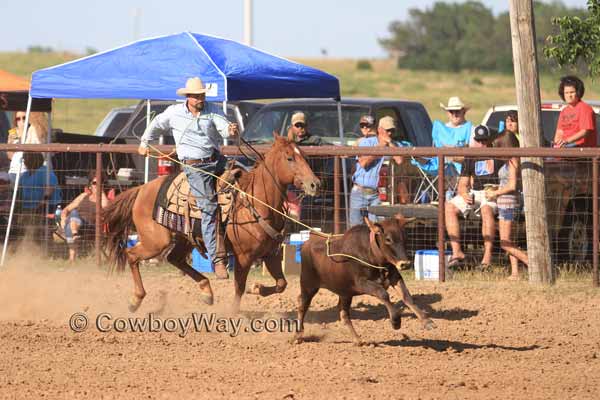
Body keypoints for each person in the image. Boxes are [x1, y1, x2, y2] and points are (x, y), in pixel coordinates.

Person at [138, 77, 238, 279]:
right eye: (197, 96)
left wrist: (230, 129)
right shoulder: (174, 113)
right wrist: (144, 143)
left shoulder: (213, 109)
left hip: (216, 159)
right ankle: (217, 259)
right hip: (194, 167)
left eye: (202, 95)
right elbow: (156, 124)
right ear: (189, 97)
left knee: (243, 179)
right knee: (209, 206)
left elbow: (222, 125)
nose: (201, 98)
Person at [446, 125, 501, 270]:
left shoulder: (498, 155)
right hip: (475, 192)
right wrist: (464, 194)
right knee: (449, 207)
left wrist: (497, 192)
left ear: (489, 141)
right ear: (474, 140)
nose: (481, 144)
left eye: (484, 141)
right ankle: (457, 252)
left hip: (492, 192)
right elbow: (463, 184)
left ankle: (487, 258)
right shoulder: (470, 157)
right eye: (478, 140)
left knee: (486, 210)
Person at [484, 130, 528, 280]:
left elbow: (512, 185)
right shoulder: (509, 161)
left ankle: (532, 263)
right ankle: (515, 272)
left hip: (509, 204)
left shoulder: (514, 160)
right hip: (504, 203)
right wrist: (496, 189)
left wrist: (495, 193)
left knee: (504, 242)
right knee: (510, 241)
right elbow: (507, 184)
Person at [349, 116, 405, 227]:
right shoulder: (366, 143)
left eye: (392, 130)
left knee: (379, 227)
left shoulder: (395, 145)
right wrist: (380, 147)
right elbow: (363, 163)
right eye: (387, 130)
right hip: (359, 191)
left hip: (378, 195)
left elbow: (400, 160)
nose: (389, 133)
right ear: (379, 129)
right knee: (356, 228)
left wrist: (390, 144)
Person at [59, 170, 109, 263]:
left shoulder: (103, 199)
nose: (97, 185)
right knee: (73, 215)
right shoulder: (83, 196)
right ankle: (74, 234)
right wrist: (63, 218)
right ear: (90, 185)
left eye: (100, 183)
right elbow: (66, 209)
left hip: (90, 226)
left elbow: (106, 209)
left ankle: (72, 258)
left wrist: (101, 192)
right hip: (76, 223)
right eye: (94, 183)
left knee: (73, 217)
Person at [17, 152, 61, 240]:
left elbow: (49, 189)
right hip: (27, 207)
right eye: (24, 160)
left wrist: (41, 204)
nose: (25, 162)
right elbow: (19, 193)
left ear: (33, 160)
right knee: (21, 225)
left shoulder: (45, 172)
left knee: (38, 226)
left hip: (45, 207)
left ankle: (42, 247)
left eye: (26, 160)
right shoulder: (24, 175)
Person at [553, 75, 597, 148]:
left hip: (581, 152)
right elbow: (560, 131)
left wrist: (567, 141)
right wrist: (556, 144)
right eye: (566, 93)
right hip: (564, 150)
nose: (569, 95)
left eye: (572, 92)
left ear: (578, 92)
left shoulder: (585, 108)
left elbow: (584, 131)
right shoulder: (564, 111)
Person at [8, 112, 49, 182]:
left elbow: (38, 154)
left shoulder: (33, 129)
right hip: (15, 171)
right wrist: (15, 140)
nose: (22, 121)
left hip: (29, 170)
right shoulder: (13, 131)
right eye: (18, 119)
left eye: (24, 118)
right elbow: (10, 156)